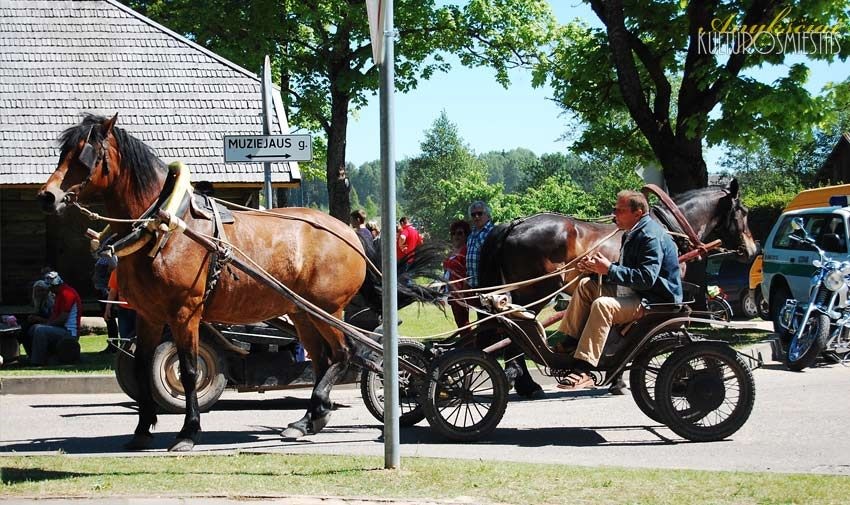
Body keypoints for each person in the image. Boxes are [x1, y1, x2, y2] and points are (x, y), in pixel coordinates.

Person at [549, 190, 683, 390]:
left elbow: (646, 279)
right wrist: (595, 270)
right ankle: (570, 341)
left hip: (655, 301)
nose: (613, 215)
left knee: (603, 305)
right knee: (587, 286)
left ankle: (584, 369)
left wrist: (609, 269)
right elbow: (626, 271)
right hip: (637, 294)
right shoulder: (633, 233)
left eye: (618, 210)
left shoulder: (649, 236)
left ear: (637, 213)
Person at [466, 201, 544, 399]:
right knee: (488, 332)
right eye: (473, 214)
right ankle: (506, 374)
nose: (476, 217)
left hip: (493, 290)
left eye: (480, 213)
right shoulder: (473, 235)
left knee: (497, 331)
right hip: (478, 290)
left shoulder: (492, 235)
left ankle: (502, 374)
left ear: (488, 215)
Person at [21, 271, 83, 366]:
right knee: (33, 328)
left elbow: (63, 318)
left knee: (40, 330)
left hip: (70, 332)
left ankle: (37, 362)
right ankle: (33, 356)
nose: (49, 290)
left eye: (50, 287)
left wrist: (46, 324)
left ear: (55, 285)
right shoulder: (59, 294)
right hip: (62, 329)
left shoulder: (67, 294)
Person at [443, 219, 471, 328]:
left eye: (460, 233)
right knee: (460, 322)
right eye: (453, 233)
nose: (456, 236)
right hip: (452, 292)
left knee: (464, 322)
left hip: (462, 291)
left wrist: (463, 292)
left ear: (466, 234)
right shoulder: (451, 251)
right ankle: (466, 341)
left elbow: (467, 271)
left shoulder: (466, 250)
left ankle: (468, 343)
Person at [92, 255, 119, 353]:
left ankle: (114, 345)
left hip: (106, 290)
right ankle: (112, 344)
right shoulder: (101, 257)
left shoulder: (110, 256)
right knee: (108, 319)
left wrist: (109, 256)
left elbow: (114, 267)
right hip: (101, 289)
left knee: (109, 317)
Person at [103, 269, 136, 343]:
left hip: (139, 310)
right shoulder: (116, 272)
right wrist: (107, 308)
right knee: (124, 337)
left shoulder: (140, 270)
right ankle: (125, 353)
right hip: (123, 310)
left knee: (140, 337)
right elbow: (112, 292)